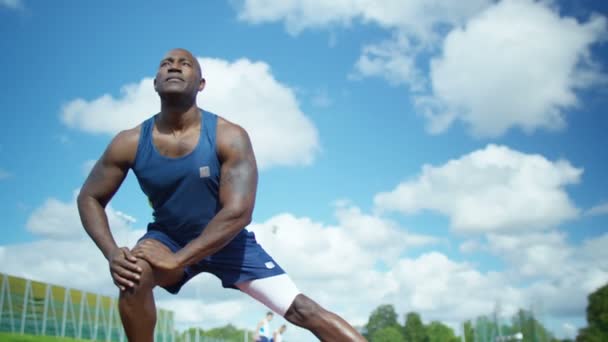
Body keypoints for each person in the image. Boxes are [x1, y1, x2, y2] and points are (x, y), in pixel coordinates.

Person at [77, 48, 366, 342]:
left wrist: (179, 260)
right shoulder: (129, 142)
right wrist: (113, 253)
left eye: (184, 64)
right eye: (166, 64)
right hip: (168, 237)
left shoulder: (229, 135)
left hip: (227, 239)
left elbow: (238, 213)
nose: (174, 67)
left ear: (201, 83)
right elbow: (89, 197)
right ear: (155, 83)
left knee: (302, 310)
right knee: (133, 273)